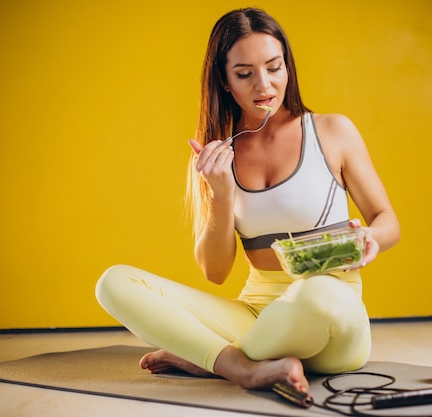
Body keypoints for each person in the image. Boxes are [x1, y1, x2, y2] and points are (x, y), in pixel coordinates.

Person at [96, 7, 399, 396]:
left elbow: (387, 219)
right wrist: (221, 195)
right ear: (223, 80)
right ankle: (241, 365)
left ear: (288, 66)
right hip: (256, 313)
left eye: (274, 68)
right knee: (114, 283)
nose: (264, 85)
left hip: (333, 312)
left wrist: (371, 238)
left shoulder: (332, 131)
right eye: (245, 74)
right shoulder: (215, 156)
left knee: (315, 295)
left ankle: (208, 358)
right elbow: (215, 271)